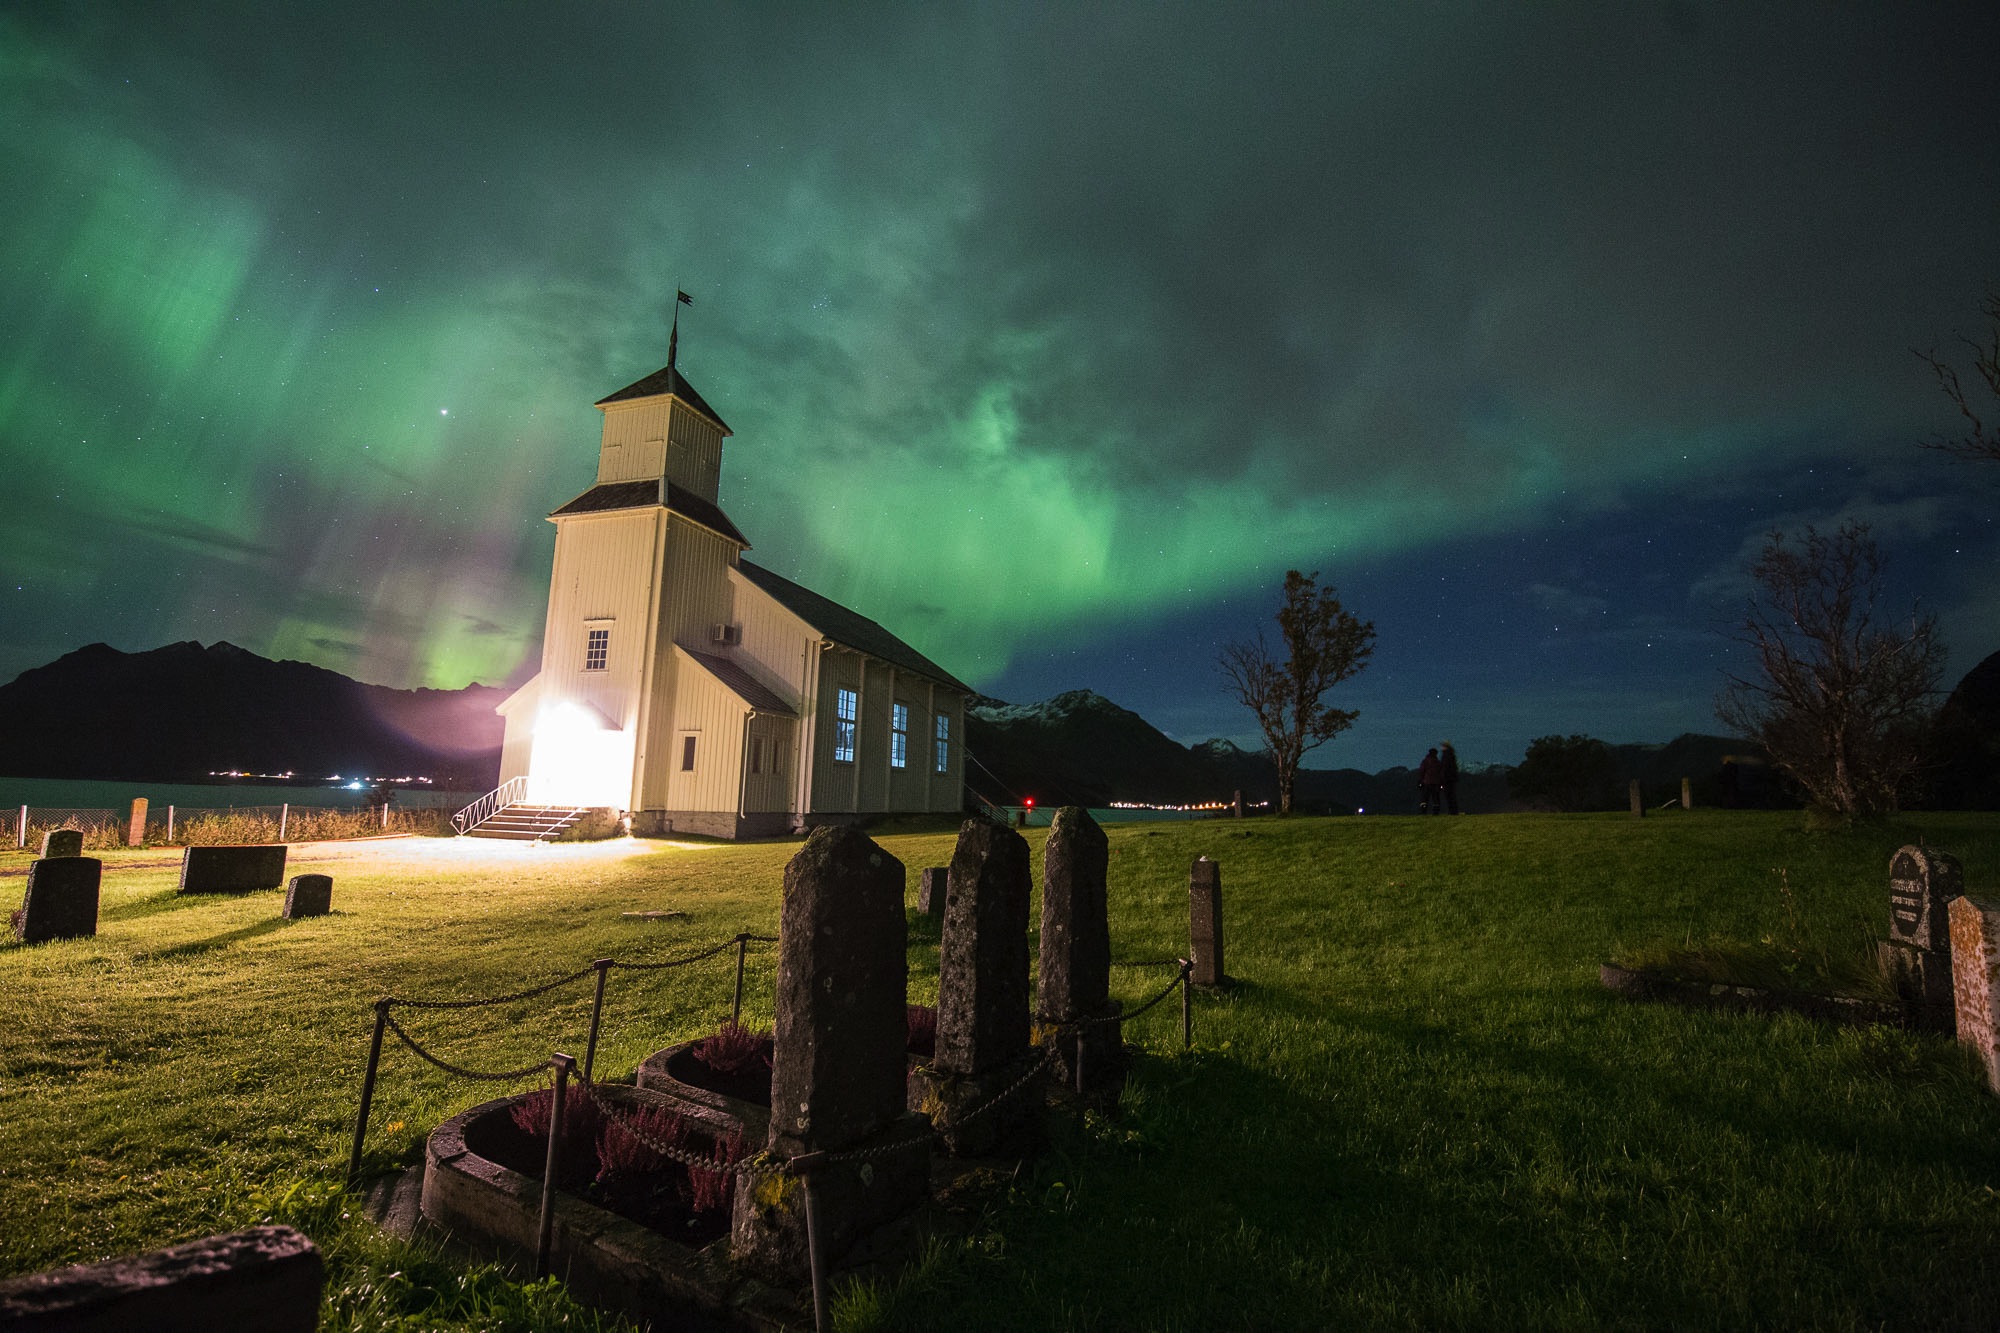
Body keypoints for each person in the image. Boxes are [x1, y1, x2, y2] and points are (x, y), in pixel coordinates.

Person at [1417, 747, 1443, 815]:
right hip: (1436, 783)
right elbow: (1441, 774)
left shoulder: (1425, 761)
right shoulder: (1438, 762)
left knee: (1425, 798)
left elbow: (1422, 771)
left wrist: (1420, 781)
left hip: (1426, 782)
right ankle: (1436, 812)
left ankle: (1423, 812)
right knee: (1435, 799)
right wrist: (1441, 783)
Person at [1438, 741, 1461, 815]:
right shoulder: (1451, 754)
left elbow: (1445, 768)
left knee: (1449, 796)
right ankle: (1454, 811)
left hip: (1447, 779)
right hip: (1451, 778)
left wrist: (1442, 778)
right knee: (1452, 795)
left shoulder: (1446, 755)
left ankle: (1452, 811)